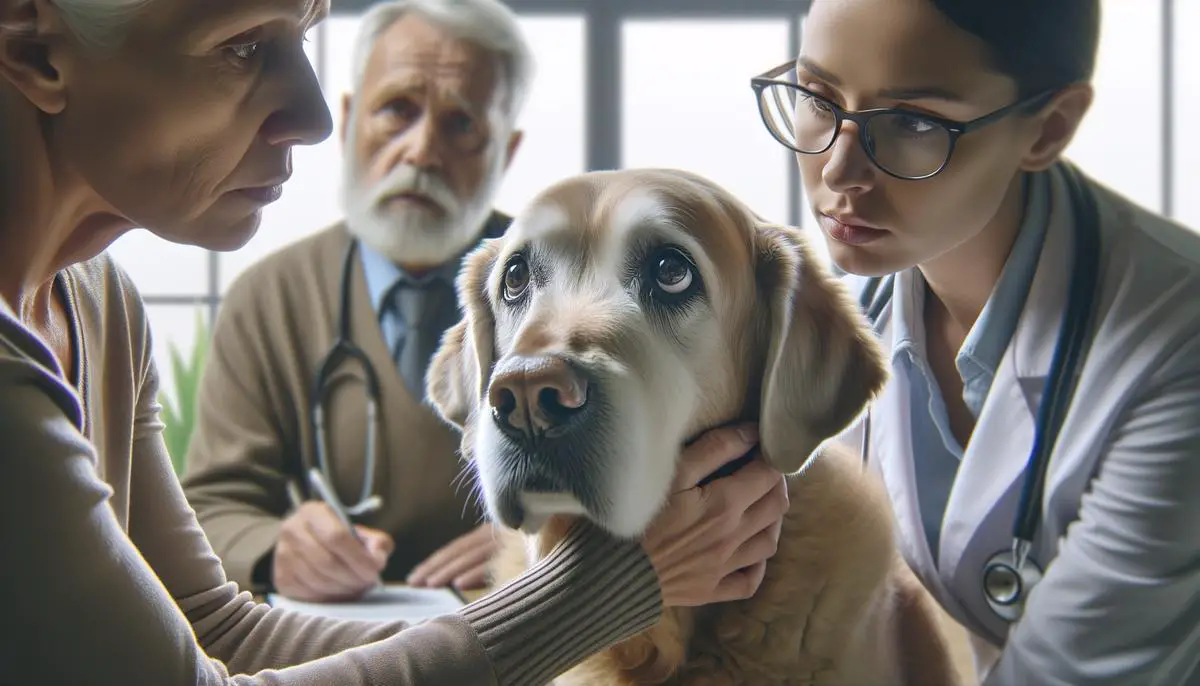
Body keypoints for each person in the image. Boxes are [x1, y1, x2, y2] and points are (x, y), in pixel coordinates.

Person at [0, 0, 791, 683]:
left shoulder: (99, 302)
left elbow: (219, 629)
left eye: (304, 39)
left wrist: (557, 633)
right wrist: (614, 584)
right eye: (242, 44)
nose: (310, 116)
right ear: (35, 48)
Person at [751, 0, 1200, 683]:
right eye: (817, 96)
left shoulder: (1177, 344)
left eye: (912, 122)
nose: (839, 173)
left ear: (1048, 128)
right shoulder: (827, 312)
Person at [180, 0, 525, 603]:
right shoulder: (268, 299)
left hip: (524, 640)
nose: (421, 152)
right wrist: (276, 548)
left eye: (463, 123)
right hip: (332, 648)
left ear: (507, 152)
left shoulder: (566, 287)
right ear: (347, 119)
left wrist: (541, 542)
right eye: (397, 109)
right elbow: (213, 505)